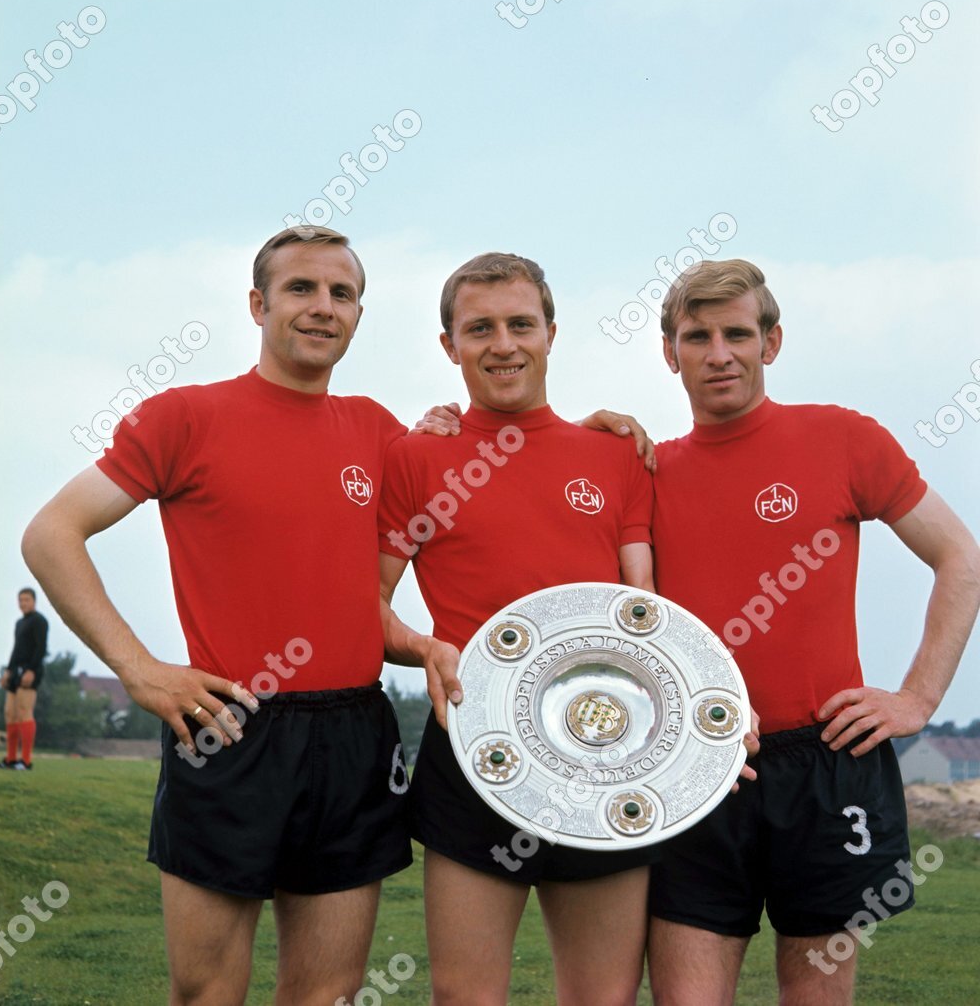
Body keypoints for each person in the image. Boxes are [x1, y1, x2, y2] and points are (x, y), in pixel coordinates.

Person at [21, 227, 421, 1006]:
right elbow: (50, 534)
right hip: (228, 725)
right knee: (207, 992)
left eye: (341, 293)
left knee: (329, 995)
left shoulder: (379, 431)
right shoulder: (185, 417)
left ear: (360, 313)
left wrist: (602, 436)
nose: (322, 307)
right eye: (301, 288)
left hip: (353, 734)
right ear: (258, 303)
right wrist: (139, 669)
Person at [378, 252, 742, 1006]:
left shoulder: (614, 455)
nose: (503, 343)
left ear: (551, 333)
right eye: (479, 328)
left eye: (520, 324)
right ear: (450, 346)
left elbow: (650, 618)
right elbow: (364, 609)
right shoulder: (415, 459)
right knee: (466, 996)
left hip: (608, 753)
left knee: (601, 997)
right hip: (475, 751)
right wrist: (422, 646)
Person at [645, 259, 980, 1005]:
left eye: (738, 333)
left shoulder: (842, 438)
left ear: (773, 341)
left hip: (829, 762)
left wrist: (917, 697)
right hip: (702, 768)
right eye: (697, 336)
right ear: (671, 352)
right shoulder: (647, 470)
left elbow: (960, 557)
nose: (719, 352)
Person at [0, 587, 48, 771]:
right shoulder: (19, 623)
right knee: (9, 713)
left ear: (34, 601)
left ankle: (26, 761)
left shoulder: (39, 621)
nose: (23, 603)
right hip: (15, 671)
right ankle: (10, 759)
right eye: (21, 600)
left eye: (27, 600)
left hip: (31, 671)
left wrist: (31, 670)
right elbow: (16, 649)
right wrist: (7, 671)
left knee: (24, 711)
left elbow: (41, 648)